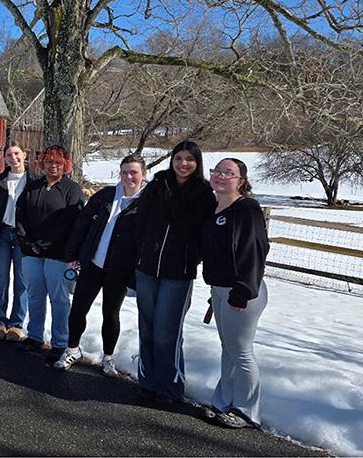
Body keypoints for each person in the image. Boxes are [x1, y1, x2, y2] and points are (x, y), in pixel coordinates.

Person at [133, 141, 216, 403]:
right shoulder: (158, 184)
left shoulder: (204, 193)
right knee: (147, 328)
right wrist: (142, 251)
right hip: (147, 269)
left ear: (197, 162)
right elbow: (141, 220)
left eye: (189, 159)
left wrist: (191, 259)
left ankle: (170, 386)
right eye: (178, 158)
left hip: (177, 274)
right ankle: (147, 381)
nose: (183, 164)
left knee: (166, 332)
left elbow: (202, 234)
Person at [54, 154, 146, 375]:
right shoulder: (105, 196)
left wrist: (136, 274)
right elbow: (82, 224)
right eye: (124, 172)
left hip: (119, 269)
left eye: (134, 172)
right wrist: (73, 254)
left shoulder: (147, 204)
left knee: (110, 313)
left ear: (144, 174)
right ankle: (72, 348)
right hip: (93, 263)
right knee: (79, 308)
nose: (128, 177)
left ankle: (108, 357)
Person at [201, 158, 269, 429]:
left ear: (241, 181)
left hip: (242, 291)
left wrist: (242, 291)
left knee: (241, 351)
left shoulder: (247, 210)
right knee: (227, 349)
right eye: (217, 171)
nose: (220, 176)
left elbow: (254, 252)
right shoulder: (214, 208)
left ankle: (247, 411)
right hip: (220, 289)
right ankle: (223, 403)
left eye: (228, 173)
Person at [15, 145, 84, 358]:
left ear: (65, 165)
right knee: (35, 295)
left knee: (59, 299)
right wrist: (26, 241)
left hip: (58, 253)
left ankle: (60, 342)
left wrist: (42, 244)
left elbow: (69, 222)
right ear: (42, 163)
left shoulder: (72, 189)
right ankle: (35, 336)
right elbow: (20, 214)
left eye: (58, 162)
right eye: (49, 161)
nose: (53, 166)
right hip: (31, 252)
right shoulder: (33, 187)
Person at [0, 141, 36, 342]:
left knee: (22, 281)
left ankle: (16, 324)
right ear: (4, 158)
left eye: (17, 153)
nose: (13, 158)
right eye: (9, 155)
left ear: (24, 155)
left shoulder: (34, 182)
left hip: (22, 236)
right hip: (2, 234)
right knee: (0, 279)